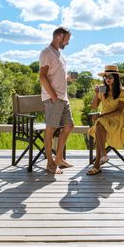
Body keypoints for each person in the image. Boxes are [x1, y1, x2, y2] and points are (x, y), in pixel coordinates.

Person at [39, 26, 74, 174]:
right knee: (51, 129)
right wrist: (53, 96)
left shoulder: (59, 54)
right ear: (60, 36)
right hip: (54, 98)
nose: (68, 43)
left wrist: (68, 78)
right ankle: (50, 163)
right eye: (67, 39)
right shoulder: (46, 52)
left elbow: (57, 75)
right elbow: (42, 76)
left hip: (63, 98)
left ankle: (59, 158)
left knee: (69, 126)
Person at [87, 65, 124, 175]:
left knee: (99, 124)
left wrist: (101, 116)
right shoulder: (102, 89)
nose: (107, 79)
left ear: (115, 78)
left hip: (117, 120)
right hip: (104, 119)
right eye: (105, 77)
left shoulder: (122, 91)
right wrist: (96, 95)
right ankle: (102, 157)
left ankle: (98, 163)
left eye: (110, 77)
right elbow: (94, 107)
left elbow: (119, 111)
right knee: (100, 125)